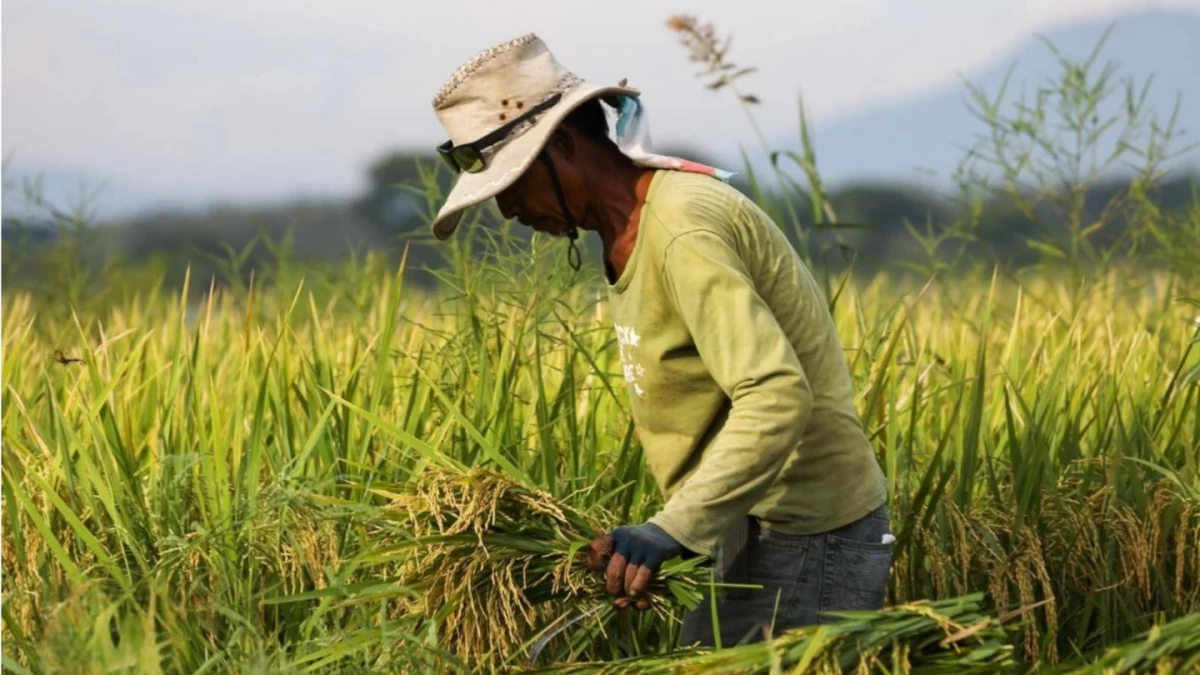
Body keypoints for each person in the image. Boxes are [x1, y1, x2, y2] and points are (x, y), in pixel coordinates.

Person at [426, 33, 892, 647]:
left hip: (804, 528)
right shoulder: (626, 232)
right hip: (745, 520)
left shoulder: (681, 229)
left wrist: (673, 530)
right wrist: (674, 534)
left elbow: (775, 393)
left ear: (563, 145)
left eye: (511, 183)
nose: (507, 210)